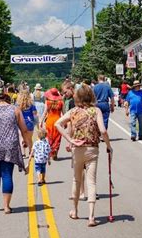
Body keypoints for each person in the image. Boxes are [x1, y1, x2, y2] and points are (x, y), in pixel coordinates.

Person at [55, 84, 112, 227]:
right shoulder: (96, 111)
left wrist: (69, 140)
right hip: (92, 148)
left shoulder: (73, 111)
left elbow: (58, 124)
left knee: (76, 180)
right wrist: (109, 146)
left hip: (77, 149)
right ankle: (92, 216)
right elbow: (103, 131)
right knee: (91, 182)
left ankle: (74, 210)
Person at [0, 93, 32, 214]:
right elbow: (24, 129)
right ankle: (7, 206)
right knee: (7, 174)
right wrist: (30, 145)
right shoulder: (15, 109)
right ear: (9, 100)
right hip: (10, 145)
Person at [40, 88, 64, 160]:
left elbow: (44, 113)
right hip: (58, 121)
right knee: (57, 137)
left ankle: (51, 151)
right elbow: (63, 113)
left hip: (49, 121)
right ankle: (55, 151)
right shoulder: (61, 102)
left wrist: (41, 121)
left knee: (50, 137)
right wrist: (65, 122)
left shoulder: (47, 102)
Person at [16, 90, 38, 158]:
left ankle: (23, 153)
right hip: (29, 122)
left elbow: (16, 115)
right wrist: (36, 124)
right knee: (29, 139)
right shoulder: (31, 105)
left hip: (21, 123)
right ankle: (31, 152)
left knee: (21, 138)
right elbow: (35, 115)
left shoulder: (18, 105)